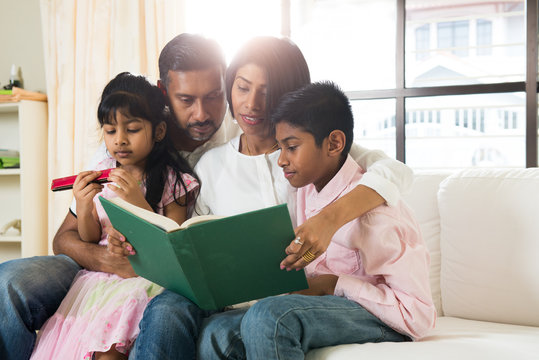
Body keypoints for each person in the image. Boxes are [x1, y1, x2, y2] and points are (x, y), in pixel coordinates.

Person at [0, 34, 411, 360]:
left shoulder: (272, 143)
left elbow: (391, 171)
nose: (204, 113)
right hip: (102, 266)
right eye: (187, 100)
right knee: (10, 280)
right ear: (164, 95)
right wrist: (103, 257)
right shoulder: (128, 142)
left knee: (169, 309)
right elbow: (66, 237)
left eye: (215, 95)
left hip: (169, 284)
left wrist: (329, 218)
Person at [197, 81, 436, 359]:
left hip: (378, 317)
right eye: (280, 148)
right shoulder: (304, 189)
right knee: (214, 331)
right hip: (322, 308)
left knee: (270, 316)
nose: (281, 161)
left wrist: (332, 284)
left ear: (334, 143)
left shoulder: (376, 216)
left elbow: (418, 314)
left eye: (291, 147)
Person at [30, 72, 199, 360]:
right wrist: (84, 206)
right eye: (110, 131)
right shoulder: (102, 173)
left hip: (143, 281)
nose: (119, 140)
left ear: (158, 132)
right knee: (84, 348)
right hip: (98, 280)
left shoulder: (173, 180)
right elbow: (91, 238)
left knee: (109, 352)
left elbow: (174, 242)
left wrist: (136, 201)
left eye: (132, 129)